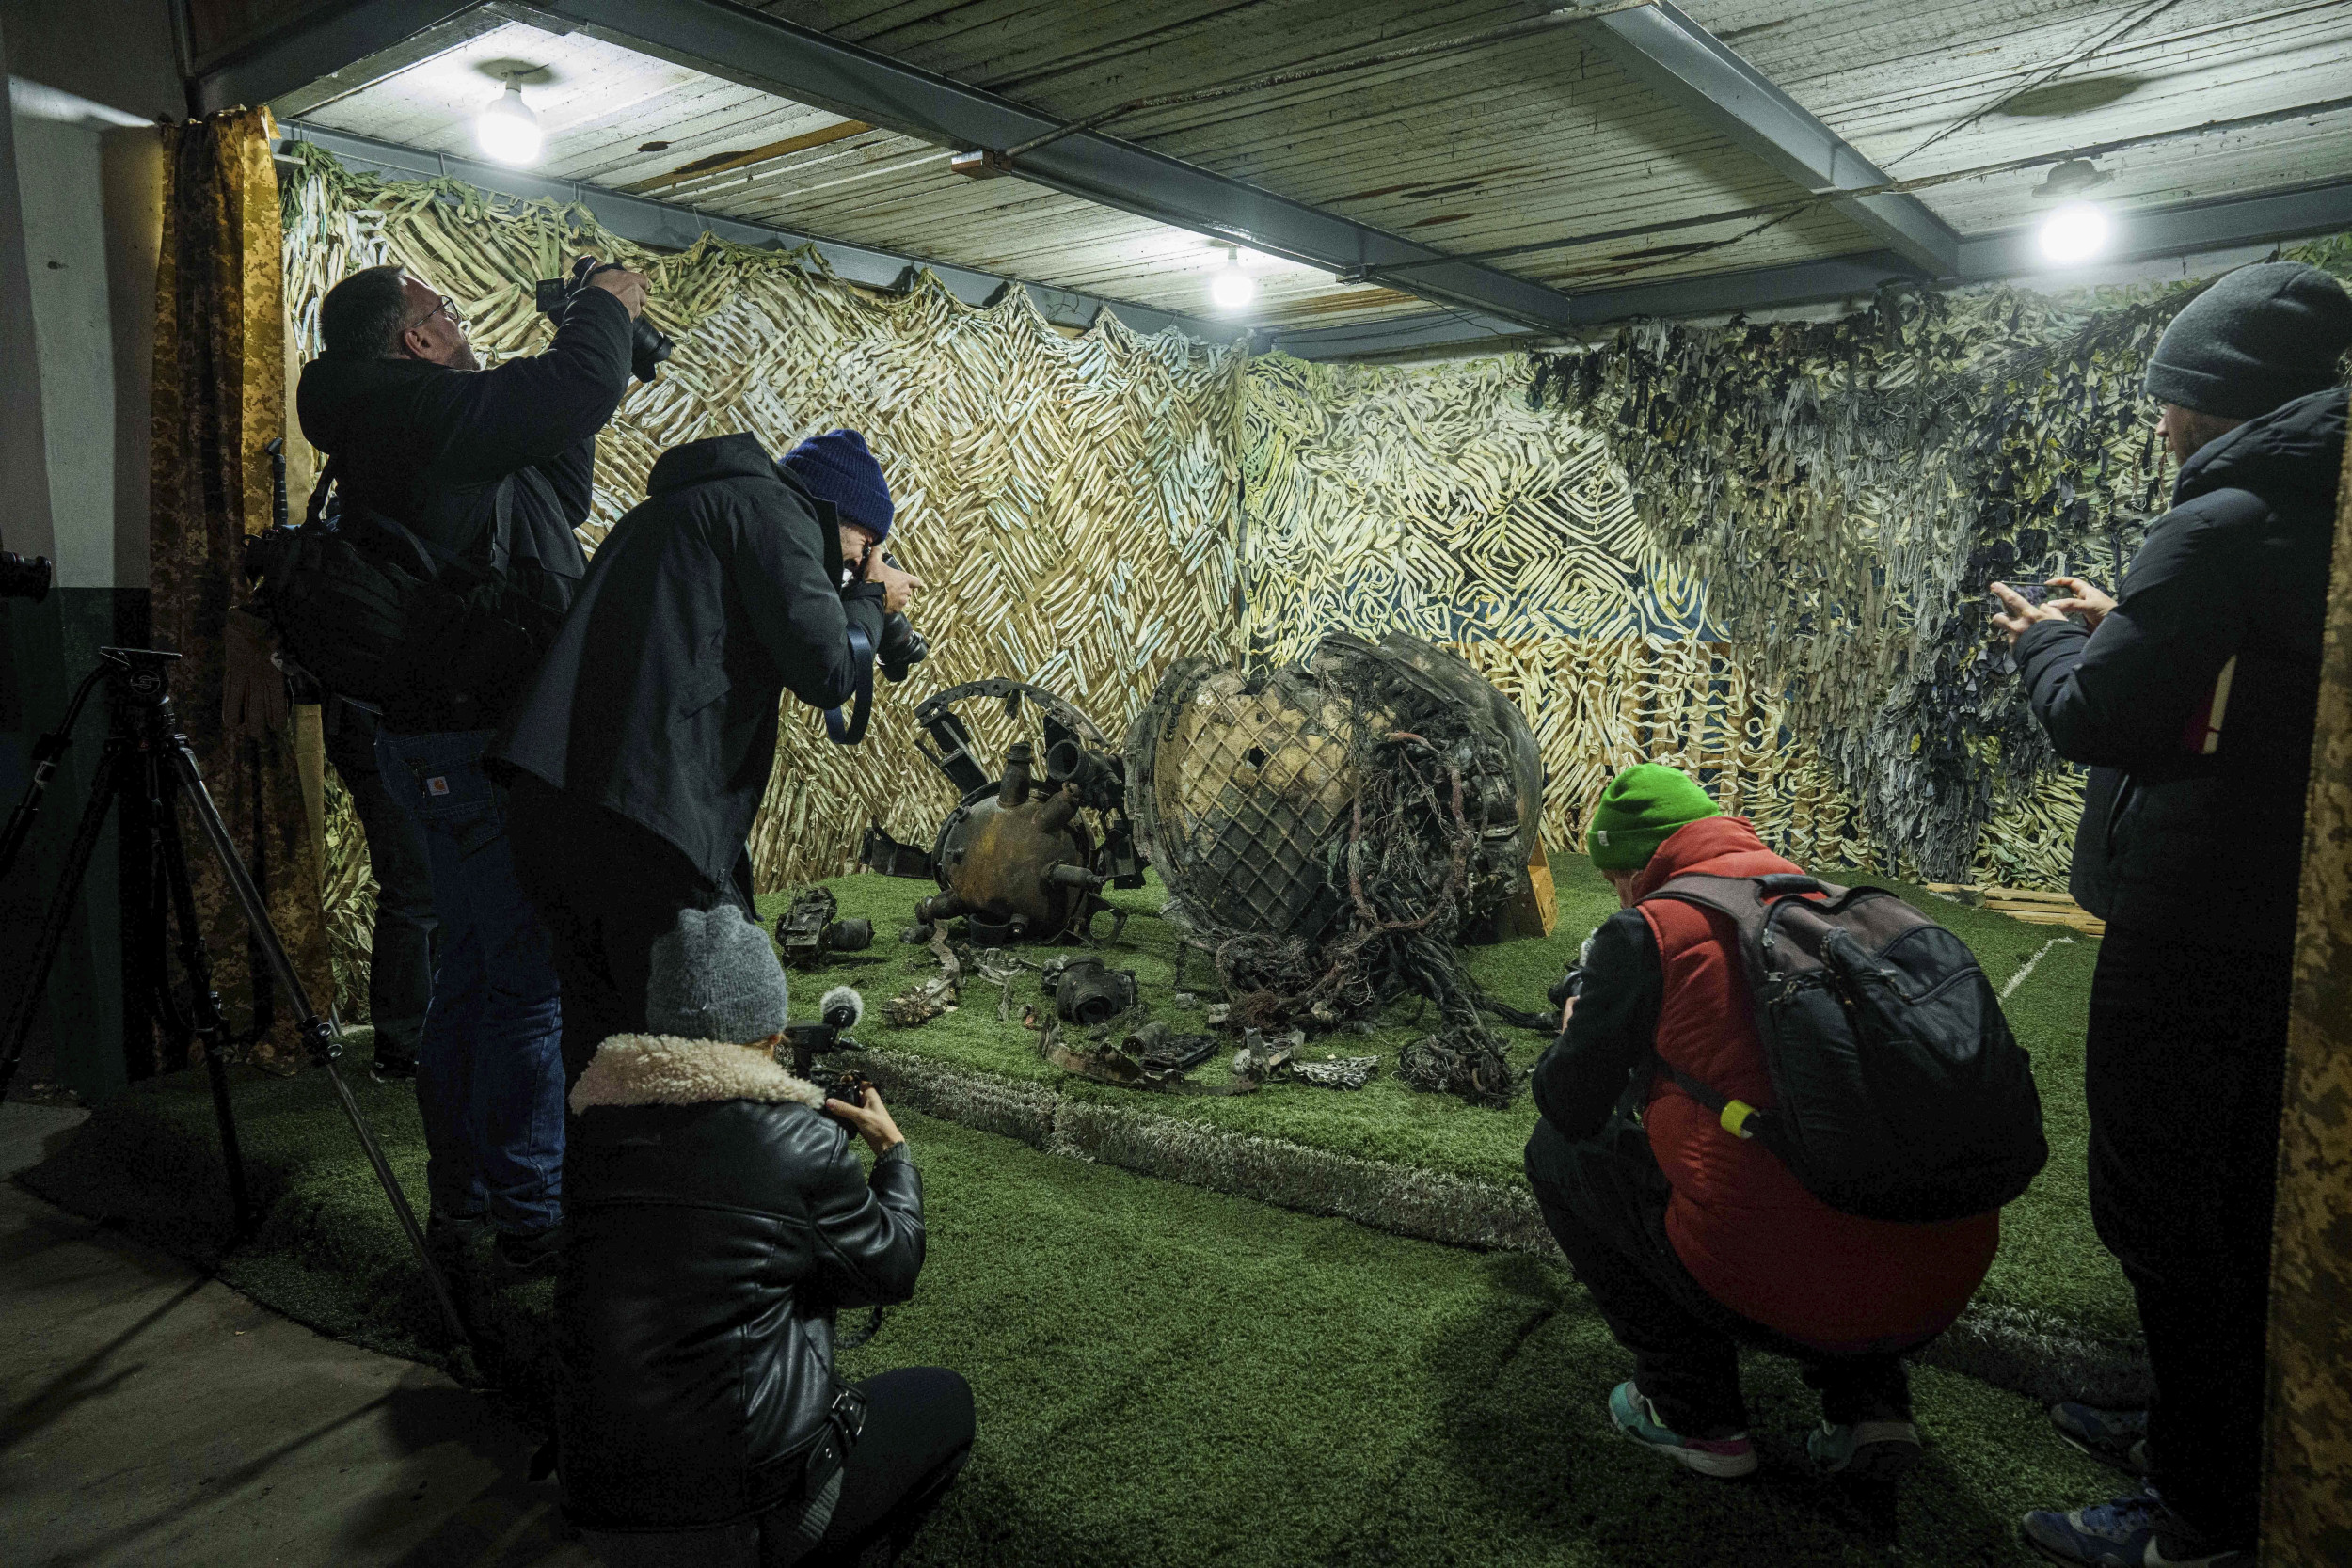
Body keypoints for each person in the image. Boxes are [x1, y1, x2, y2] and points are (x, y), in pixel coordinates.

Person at [1990, 261, 2350, 1568]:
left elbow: (2101, 714)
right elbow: (2240, 685)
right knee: (2231, 1202)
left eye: (2173, 399)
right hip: (2278, 921)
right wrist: (2126, 625)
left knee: (2165, 1205)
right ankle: (2189, 1425)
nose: (2160, 423)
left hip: (2193, 920)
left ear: (2221, 399)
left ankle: (2194, 1508)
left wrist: (2047, 640)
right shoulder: (2317, 511)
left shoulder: (2222, 521)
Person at [295, 258, 647, 1280]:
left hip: (431, 741)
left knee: (471, 975)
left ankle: (466, 1198)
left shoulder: (407, 426)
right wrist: (605, 306)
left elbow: (560, 482)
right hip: (479, 743)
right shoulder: (421, 414)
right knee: (526, 986)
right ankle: (528, 1211)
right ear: (415, 338)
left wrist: (576, 347)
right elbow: (578, 386)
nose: (455, 322)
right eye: (444, 311)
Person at [1523, 764, 2000, 1481]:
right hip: (1945, 1278)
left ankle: (1693, 1412)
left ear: (1634, 868)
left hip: (1782, 1283)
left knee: (1560, 1152)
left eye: (1617, 878)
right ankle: (1868, 1405)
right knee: (1841, 1132)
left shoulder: (1650, 927)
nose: (1619, 894)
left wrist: (1574, 1027)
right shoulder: (1841, 907)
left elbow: (1568, 1101)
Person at [495, 429, 920, 1085]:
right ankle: (677, 1179)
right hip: (642, 818)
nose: (865, 560)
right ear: (839, 513)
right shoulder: (773, 514)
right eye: (867, 545)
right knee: (676, 1040)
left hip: (561, 801)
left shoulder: (692, 507)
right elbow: (828, 669)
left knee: (596, 1042)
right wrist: (868, 598)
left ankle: (589, 1182)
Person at [559, 903, 972, 1567]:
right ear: (771, 1036)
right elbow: (894, 1265)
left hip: (596, 1495)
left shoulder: (592, 1125)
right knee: (946, 1402)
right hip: (735, 1515)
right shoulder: (798, 1143)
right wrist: (894, 1153)